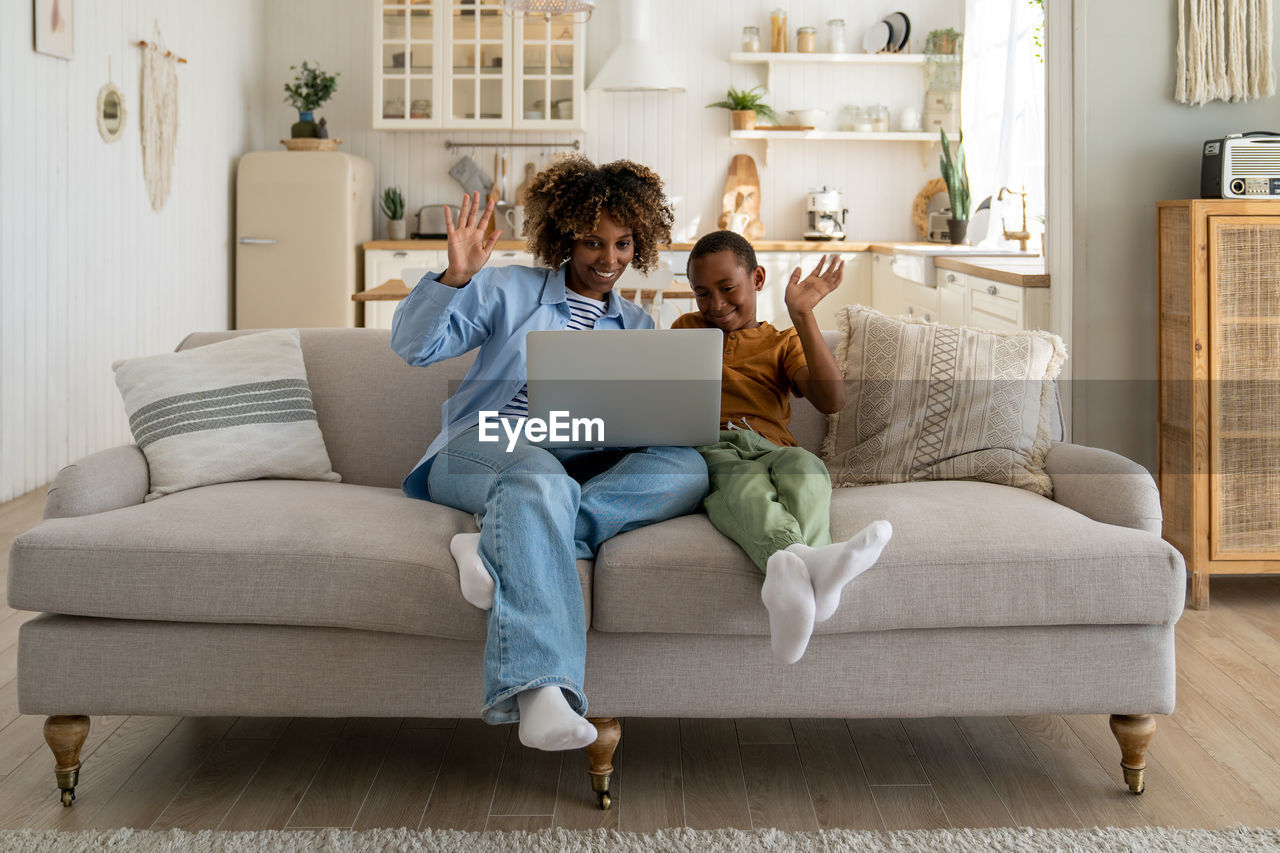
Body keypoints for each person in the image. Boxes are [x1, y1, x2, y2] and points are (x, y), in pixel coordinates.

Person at [390, 156, 708, 752]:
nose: (607, 259)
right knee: (538, 477)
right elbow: (414, 347)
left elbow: (641, 423)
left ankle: (496, 542)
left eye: (622, 243)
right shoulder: (508, 289)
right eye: (592, 241)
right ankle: (542, 690)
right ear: (565, 237)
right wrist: (454, 278)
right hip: (479, 449)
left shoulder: (639, 327)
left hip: (570, 464)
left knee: (688, 470)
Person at [673, 230, 892, 664]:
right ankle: (812, 574)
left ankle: (802, 580)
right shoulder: (686, 330)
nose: (715, 304)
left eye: (727, 288)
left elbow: (832, 400)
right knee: (743, 485)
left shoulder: (781, 342)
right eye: (702, 294)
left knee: (807, 469)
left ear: (756, 278)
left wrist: (803, 314)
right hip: (712, 444)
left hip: (773, 446)